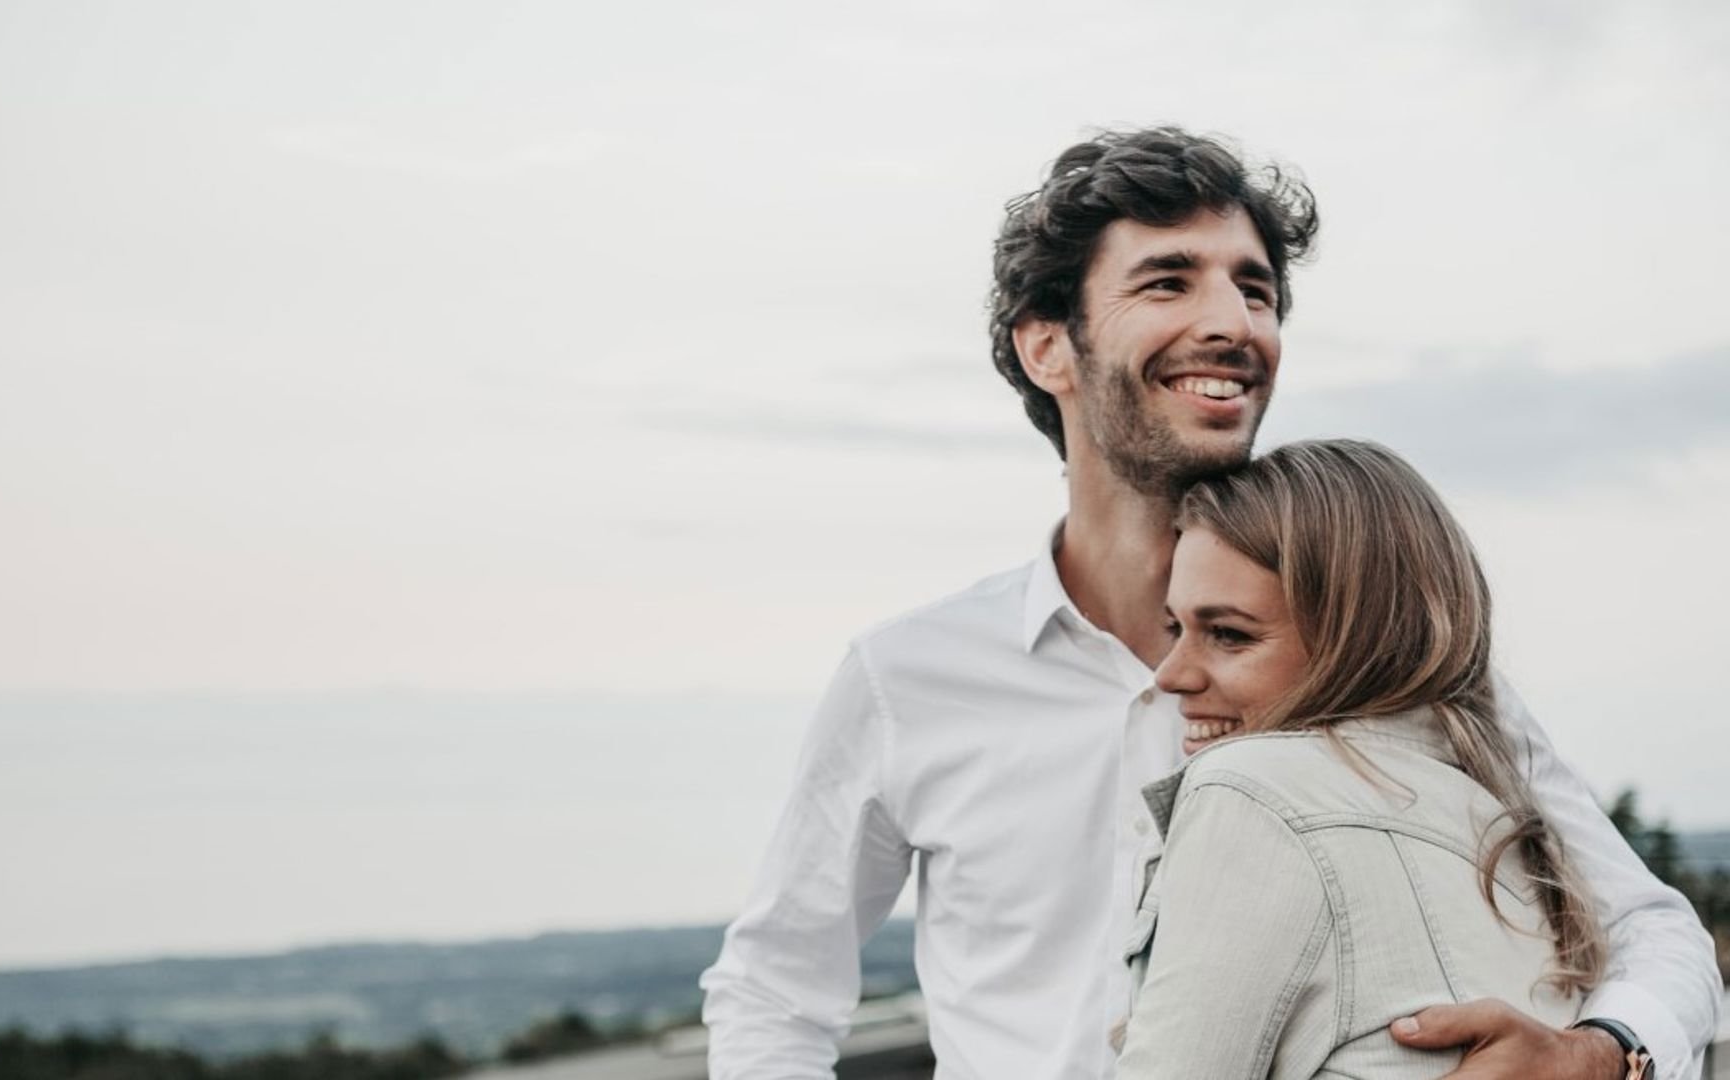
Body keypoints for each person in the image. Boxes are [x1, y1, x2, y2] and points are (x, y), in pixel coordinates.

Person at [699, 127, 1722, 1079]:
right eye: (1168, 281)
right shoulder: (908, 677)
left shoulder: (1377, 652)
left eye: (1256, 289)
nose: (1234, 323)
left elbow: (1653, 930)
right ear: (1047, 346)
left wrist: (1605, 1053)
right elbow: (772, 995)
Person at [1115, 438, 1612, 1078]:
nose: (1170, 674)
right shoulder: (1504, 826)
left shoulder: (1253, 791)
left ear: (1359, 639)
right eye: (1175, 629)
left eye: (1230, 634)